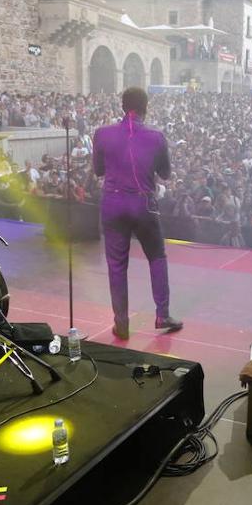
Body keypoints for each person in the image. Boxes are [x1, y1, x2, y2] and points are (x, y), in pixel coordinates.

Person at [93, 87, 183, 339]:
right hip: (142, 204)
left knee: (116, 266)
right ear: (146, 108)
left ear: (123, 107)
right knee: (157, 257)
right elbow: (165, 173)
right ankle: (162, 314)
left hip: (112, 203)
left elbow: (98, 170)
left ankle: (121, 323)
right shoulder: (156, 136)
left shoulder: (102, 134)